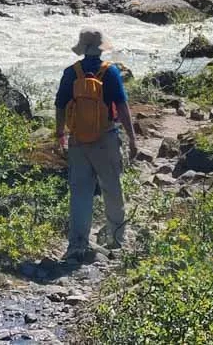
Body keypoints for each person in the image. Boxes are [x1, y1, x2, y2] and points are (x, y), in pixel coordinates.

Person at [55, 29, 139, 261]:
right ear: (101, 48)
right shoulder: (109, 72)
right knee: (111, 188)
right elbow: (122, 108)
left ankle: (77, 243)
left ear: (82, 48)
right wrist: (132, 139)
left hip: (78, 140)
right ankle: (117, 239)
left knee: (80, 192)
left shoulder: (71, 73)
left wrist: (60, 134)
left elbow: (60, 106)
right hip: (106, 137)